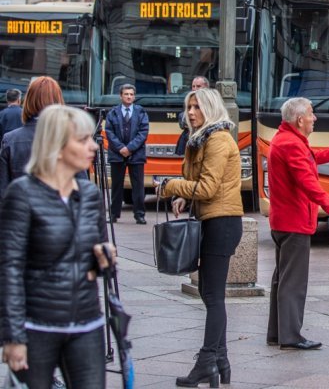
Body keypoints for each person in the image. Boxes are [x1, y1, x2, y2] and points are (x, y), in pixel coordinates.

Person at [0, 105, 117, 388]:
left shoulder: (89, 194)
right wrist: (13, 336)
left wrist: (104, 261)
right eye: (82, 140)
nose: (93, 146)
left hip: (86, 323)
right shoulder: (23, 193)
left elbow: (97, 262)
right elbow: (10, 269)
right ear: (57, 146)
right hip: (38, 325)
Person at [159, 87, 244, 387]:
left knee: (213, 295)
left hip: (222, 223)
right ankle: (220, 360)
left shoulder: (218, 140)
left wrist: (171, 187)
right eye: (189, 107)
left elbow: (207, 188)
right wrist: (185, 197)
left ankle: (208, 360)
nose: (191, 112)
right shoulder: (200, 139)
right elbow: (200, 185)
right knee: (209, 292)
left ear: (210, 109)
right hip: (211, 219)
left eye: (197, 107)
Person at [267, 97, 329, 350]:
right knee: (293, 282)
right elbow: (308, 181)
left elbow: (312, 159)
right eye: (311, 114)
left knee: (283, 278)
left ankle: (278, 332)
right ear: (300, 119)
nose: (315, 118)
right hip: (294, 222)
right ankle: (290, 336)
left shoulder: (288, 139)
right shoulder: (291, 143)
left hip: (284, 221)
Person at [0, 77, 70, 195]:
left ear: (28, 100)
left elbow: (3, 192)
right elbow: (81, 190)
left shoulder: (10, 139)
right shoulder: (69, 139)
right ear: (58, 101)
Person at [105, 83, 149, 224]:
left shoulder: (141, 111)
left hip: (136, 154)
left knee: (138, 186)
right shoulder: (113, 112)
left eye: (131, 94)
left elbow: (143, 132)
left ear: (134, 96)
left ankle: (140, 215)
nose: (129, 96)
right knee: (117, 186)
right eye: (126, 94)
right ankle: (113, 214)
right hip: (117, 154)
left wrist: (129, 148)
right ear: (121, 96)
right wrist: (120, 148)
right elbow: (109, 132)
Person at [176, 76, 211, 156]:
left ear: (206, 87)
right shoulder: (189, 99)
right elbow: (182, 121)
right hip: (188, 138)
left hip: (203, 139)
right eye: (193, 86)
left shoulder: (210, 101)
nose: (195, 89)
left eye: (198, 86)